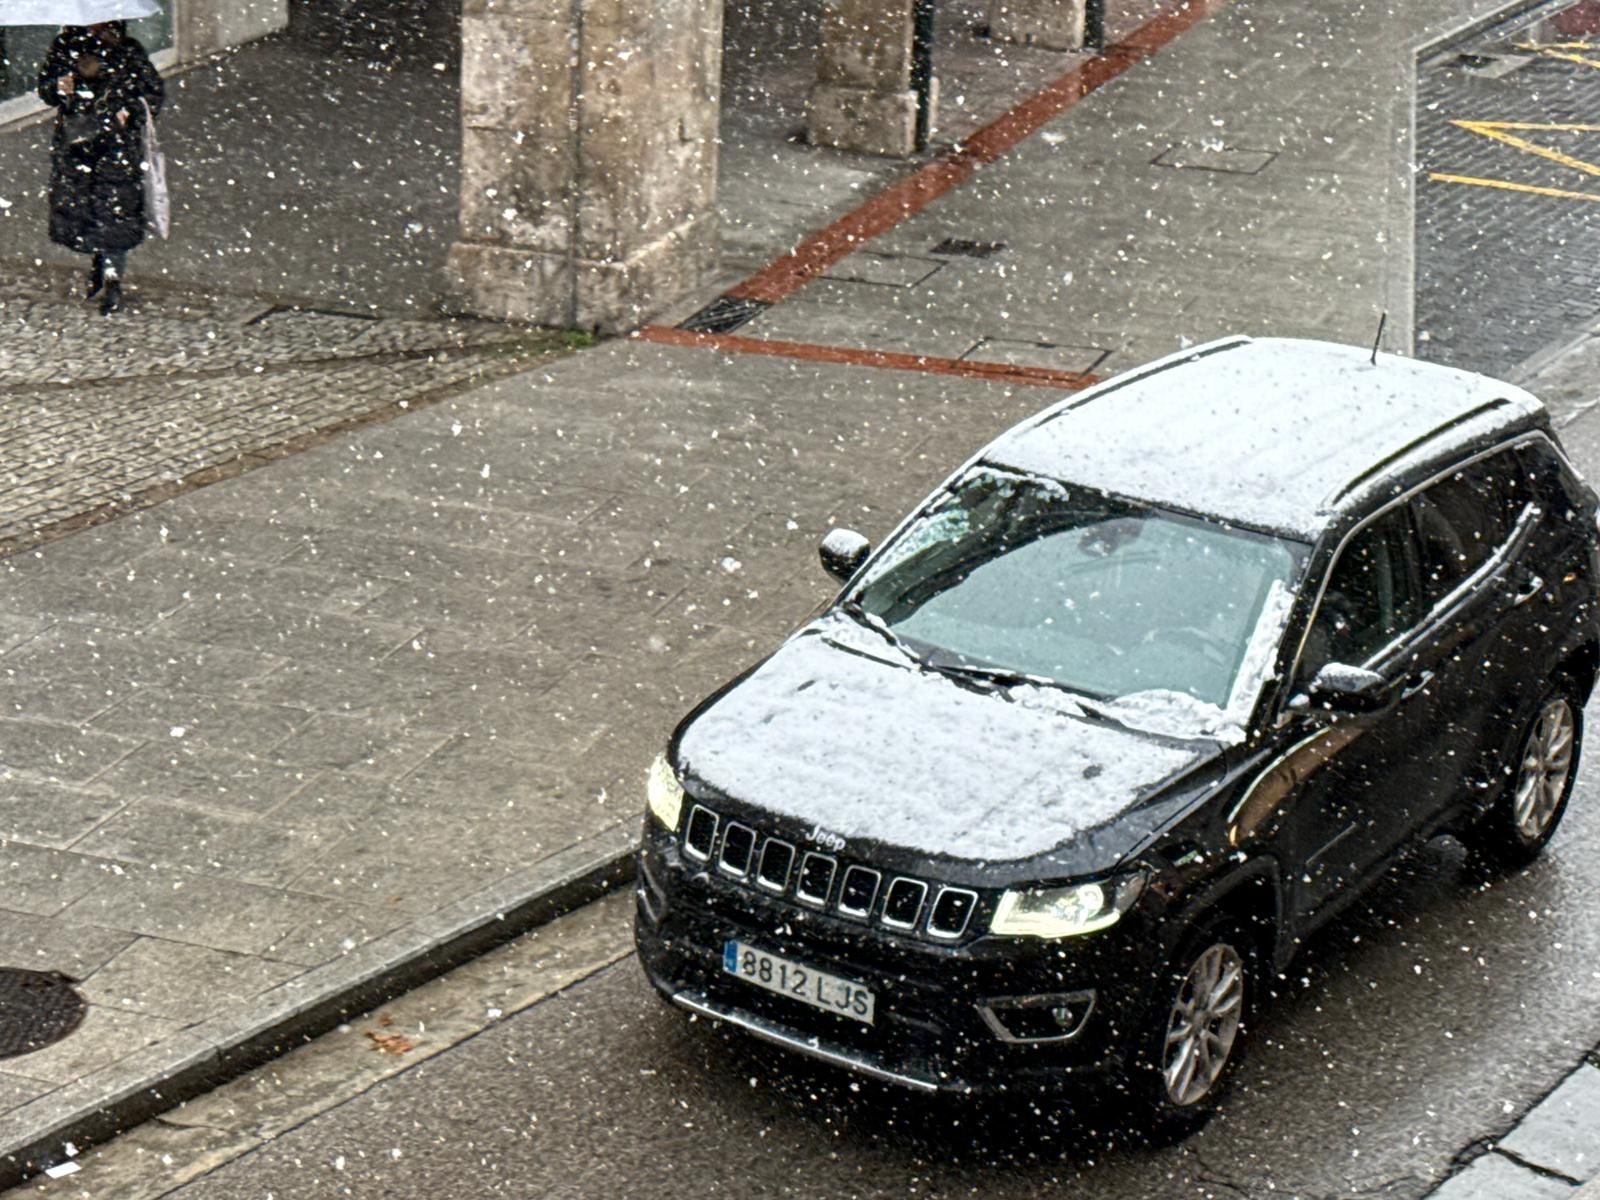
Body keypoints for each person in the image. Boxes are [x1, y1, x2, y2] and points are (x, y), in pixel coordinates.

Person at [36, 22, 163, 315]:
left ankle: (112, 279)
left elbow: (152, 92)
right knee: (86, 211)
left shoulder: (127, 51)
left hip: (116, 147)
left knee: (115, 212)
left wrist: (129, 111)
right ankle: (100, 261)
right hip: (76, 144)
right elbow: (46, 88)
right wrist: (58, 87)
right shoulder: (65, 47)